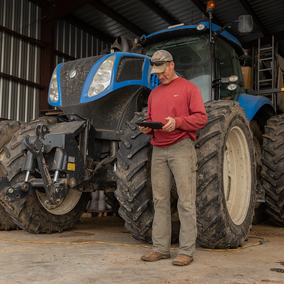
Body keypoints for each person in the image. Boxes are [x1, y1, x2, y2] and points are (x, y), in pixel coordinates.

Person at [139, 50, 207, 266]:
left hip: (181, 148)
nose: (160, 76)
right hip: (158, 149)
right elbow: (151, 119)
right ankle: (160, 248)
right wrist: (146, 128)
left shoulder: (189, 88)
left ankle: (186, 251)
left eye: (162, 71)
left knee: (186, 201)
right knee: (159, 200)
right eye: (156, 73)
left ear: (172, 65)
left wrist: (177, 122)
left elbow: (201, 118)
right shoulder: (154, 94)